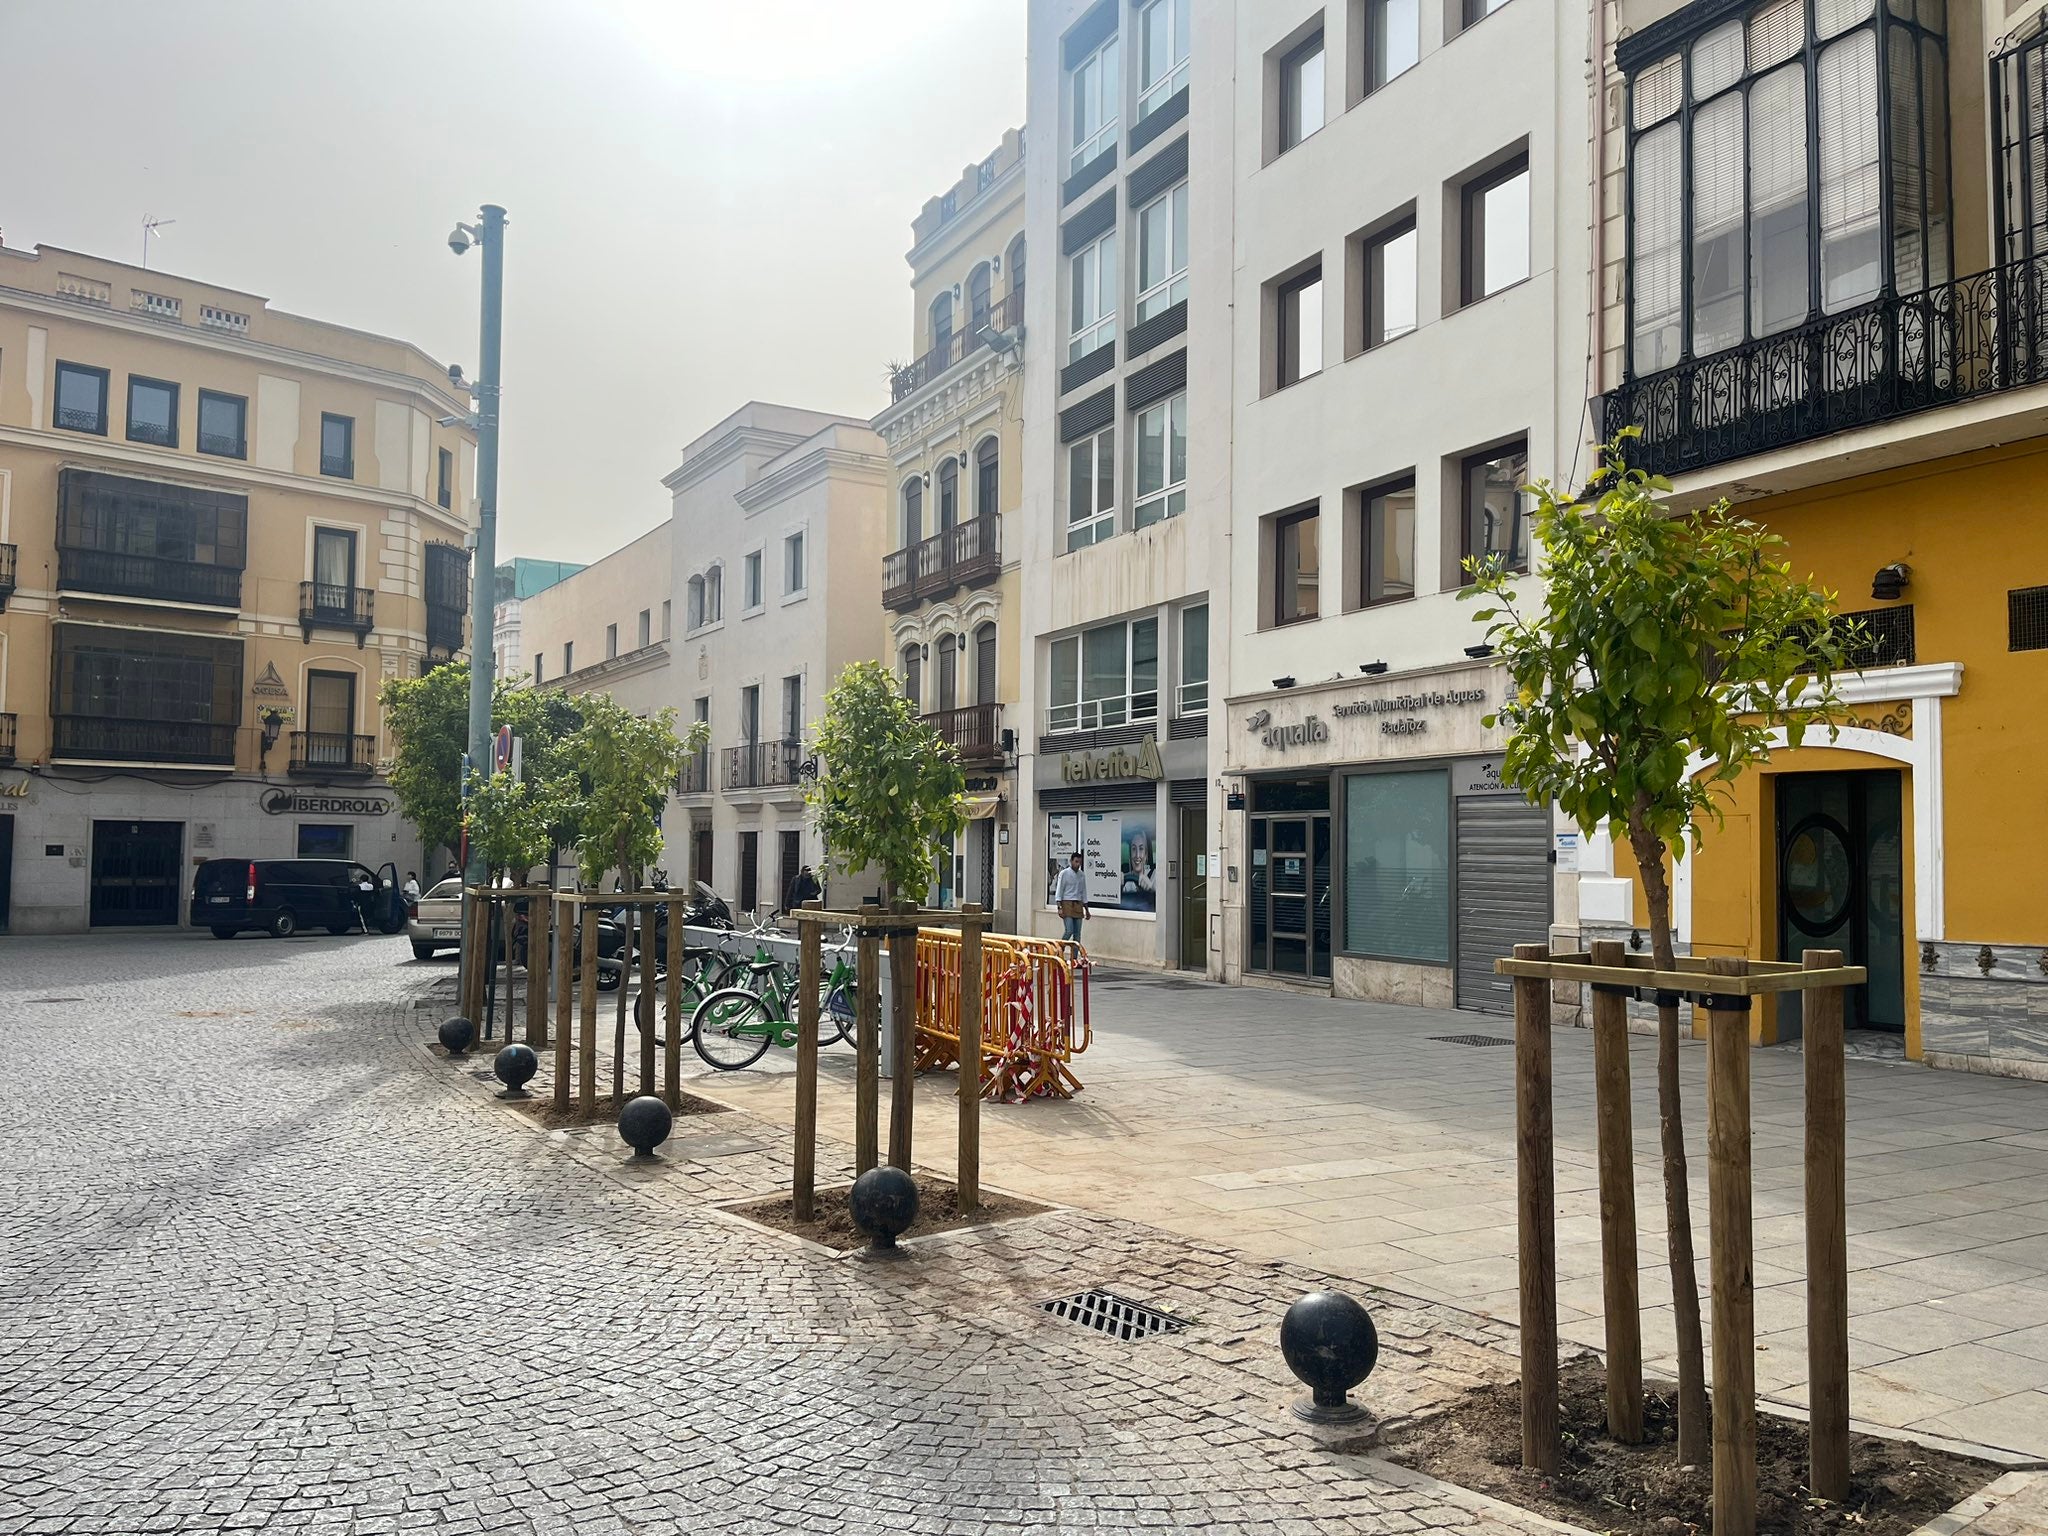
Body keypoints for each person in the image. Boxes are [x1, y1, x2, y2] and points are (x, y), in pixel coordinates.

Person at [1054, 851, 1088, 944]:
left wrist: (1087, 910)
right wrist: (1059, 907)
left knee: (1077, 934)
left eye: (1080, 862)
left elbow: (1083, 892)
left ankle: (1075, 957)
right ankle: (1059, 949)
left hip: (1078, 904)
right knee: (1069, 930)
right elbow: (1059, 890)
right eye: (1076, 862)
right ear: (1071, 861)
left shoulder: (1082, 875)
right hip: (1067, 904)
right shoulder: (1064, 873)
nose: (1078, 864)